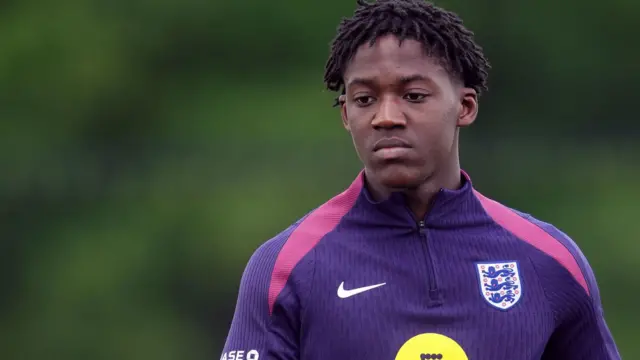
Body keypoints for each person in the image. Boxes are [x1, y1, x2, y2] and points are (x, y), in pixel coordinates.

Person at [220, 0, 621, 359]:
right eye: (364, 100)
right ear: (346, 115)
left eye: (413, 95)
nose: (386, 116)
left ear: (464, 107)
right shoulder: (285, 267)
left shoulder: (548, 260)